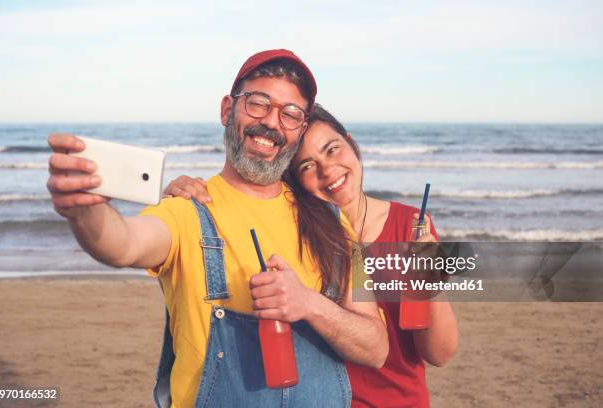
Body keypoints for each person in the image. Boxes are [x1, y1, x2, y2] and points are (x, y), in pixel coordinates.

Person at [45, 50, 388, 408]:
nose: (272, 122)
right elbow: (122, 245)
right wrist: (86, 209)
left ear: (300, 130)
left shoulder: (335, 223)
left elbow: (376, 347)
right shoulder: (186, 211)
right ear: (228, 110)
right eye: (258, 103)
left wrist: (311, 305)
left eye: (290, 114)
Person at [165, 103, 459, 407]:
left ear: (352, 143)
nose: (327, 169)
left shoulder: (410, 226)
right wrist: (188, 197)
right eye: (306, 166)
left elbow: (439, 353)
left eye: (333, 150)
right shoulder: (291, 233)